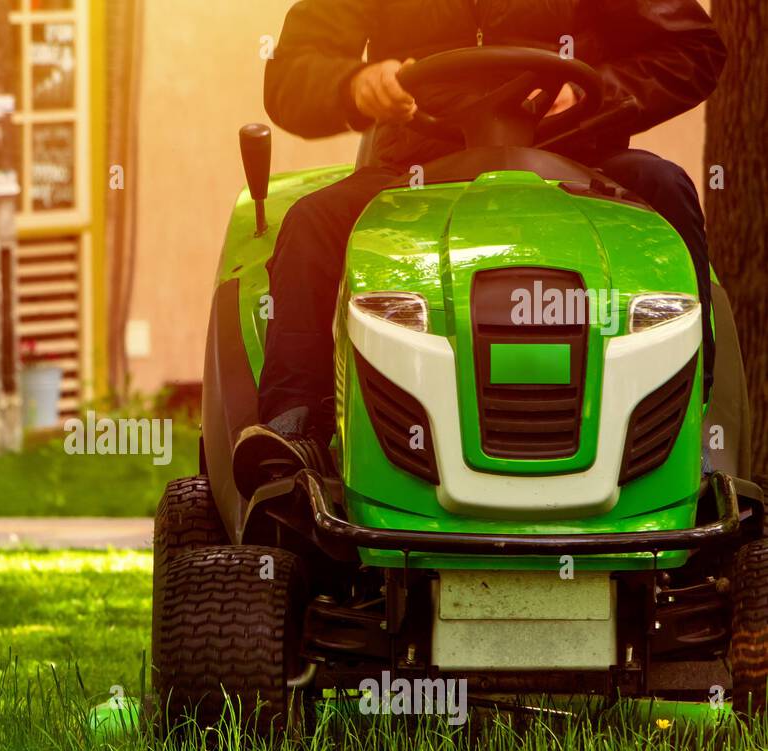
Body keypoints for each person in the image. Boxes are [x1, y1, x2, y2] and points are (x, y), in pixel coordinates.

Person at [254, 0, 727, 449]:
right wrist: (352, 86)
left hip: (579, 160)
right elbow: (289, 74)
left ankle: (687, 427)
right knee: (311, 223)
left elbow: (693, 49)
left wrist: (595, 91)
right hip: (418, 172)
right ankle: (292, 435)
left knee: (664, 185)